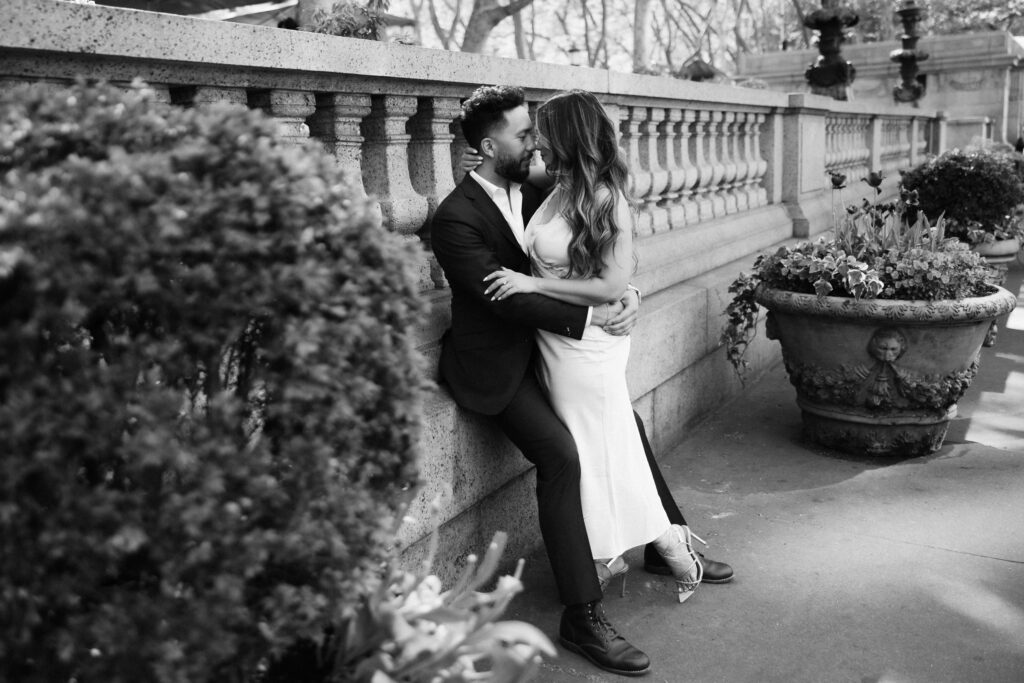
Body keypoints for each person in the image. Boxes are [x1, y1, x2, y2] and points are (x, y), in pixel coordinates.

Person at [479, 88, 713, 606]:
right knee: (598, 448)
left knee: (603, 449)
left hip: (590, 344)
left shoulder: (608, 198)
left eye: (545, 129)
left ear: (569, 135)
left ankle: (666, 544)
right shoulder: (556, 182)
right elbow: (500, 172)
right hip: (557, 341)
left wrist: (535, 285)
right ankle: (619, 549)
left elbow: (610, 286)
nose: (536, 138)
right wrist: (488, 144)